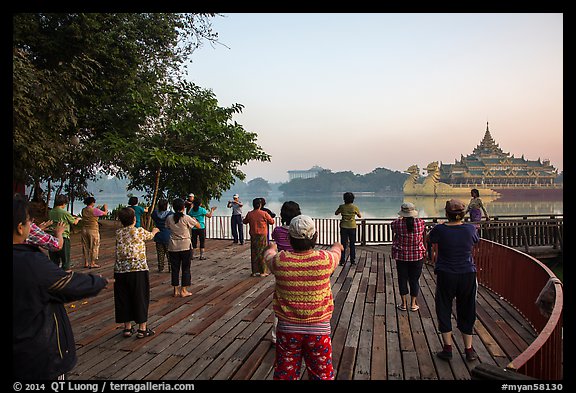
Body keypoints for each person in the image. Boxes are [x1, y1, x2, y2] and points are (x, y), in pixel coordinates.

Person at [13, 195, 108, 380]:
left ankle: (89, 262)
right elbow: (66, 284)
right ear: (20, 227)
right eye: (28, 221)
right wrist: (99, 282)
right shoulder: (30, 262)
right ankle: (92, 263)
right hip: (38, 356)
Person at [263, 214, 343, 380]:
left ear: (290, 238)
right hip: (319, 330)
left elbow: (268, 256)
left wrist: (272, 247)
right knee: (322, 375)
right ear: (316, 236)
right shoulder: (324, 259)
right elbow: (336, 254)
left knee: (286, 374)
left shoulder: (281, 260)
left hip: (287, 330)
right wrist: (336, 246)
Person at [428, 199, 480, 362]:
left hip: (446, 273)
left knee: (443, 307)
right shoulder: (470, 228)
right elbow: (475, 241)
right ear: (463, 214)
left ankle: (448, 348)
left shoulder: (440, 229)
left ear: (446, 213)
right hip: (467, 273)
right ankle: (469, 349)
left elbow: (429, 238)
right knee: (467, 308)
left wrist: (443, 225)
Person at [114, 207, 160, 339]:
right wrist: (155, 231)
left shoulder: (118, 233)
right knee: (140, 297)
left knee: (123, 298)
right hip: (138, 269)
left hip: (120, 270)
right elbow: (150, 236)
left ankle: (127, 328)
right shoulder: (138, 231)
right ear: (134, 219)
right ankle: (142, 329)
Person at [269, 200, 302, 345]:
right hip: (300, 267)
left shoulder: (277, 231)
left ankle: (276, 337)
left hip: (283, 268)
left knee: (280, 302)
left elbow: (275, 243)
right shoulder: (299, 230)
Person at [391, 202, 427, 312]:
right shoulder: (421, 223)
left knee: (402, 279)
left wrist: (400, 218)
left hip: (401, 256)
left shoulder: (396, 224)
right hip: (417, 256)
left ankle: (403, 304)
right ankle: (413, 304)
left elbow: (394, 225)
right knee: (414, 280)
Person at [166, 198, 201, 297]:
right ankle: (184, 290)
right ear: (183, 207)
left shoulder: (169, 218)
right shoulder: (186, 218)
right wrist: (194, 220)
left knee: (175, 268)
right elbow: (198, 226)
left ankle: (175, 290)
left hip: (173, 246)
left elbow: (167, 227)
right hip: (185, 245)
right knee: (186, 268)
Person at [48, 194, 81, 271]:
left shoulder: (51, 212)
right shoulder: (64, 212)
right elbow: (74, 222)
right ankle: (65, 277)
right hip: (63, 237)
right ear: (63, 203)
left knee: (54, 260)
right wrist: (78, 219)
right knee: (65, 260)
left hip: (52, 237)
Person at [243, 198, 275, 277]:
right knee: (263, 252)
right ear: (260, 205)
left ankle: (254, 271)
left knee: (254, 253)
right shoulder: (264, 213)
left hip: (253, 235)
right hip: (262, 235)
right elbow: (272, 222)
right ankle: (263, 271)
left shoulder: (250, 213)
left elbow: (245, 221)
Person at [80, 196, 108, 268]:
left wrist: (97, 209)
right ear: (92, 202)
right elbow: (105, 213)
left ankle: (86, 262)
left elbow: (92, 213)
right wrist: (105, 207)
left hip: (84, 229)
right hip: (93, 230)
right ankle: (92, 263)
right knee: (94, 246)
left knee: (85, 246)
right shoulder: (95, 210)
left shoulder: (83, 210)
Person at [335, 192, 362, 265]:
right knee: (352, 244)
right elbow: (360, 216)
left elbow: (336, 213)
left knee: (343, 244)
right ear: (353, 199)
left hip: (343, 227)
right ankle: (352, 260)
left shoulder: (342, 207)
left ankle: (342, 260)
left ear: (344, 199)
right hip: (352, 227)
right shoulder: (354, 207)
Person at [151, 199, 173, 273]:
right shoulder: (170, 214)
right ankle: (171, 268)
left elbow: (152, 215)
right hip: (167, 235)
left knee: (160, 253)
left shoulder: (155, 213)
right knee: (169, 253)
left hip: (158, 235)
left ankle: (161, 267)